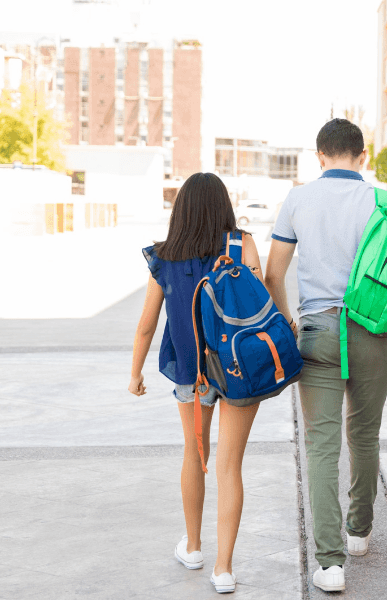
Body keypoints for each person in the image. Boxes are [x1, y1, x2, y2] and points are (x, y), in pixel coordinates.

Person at [265, 118, 387, 593]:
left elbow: (274, 274)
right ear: (362, 157)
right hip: (371, 329)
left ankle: (329, 563)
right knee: (365, 435)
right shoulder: (384, 200)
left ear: (319, 156)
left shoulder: (297, 199)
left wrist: (290, 319)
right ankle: (360, 532)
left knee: (321, 445)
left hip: (316, 329)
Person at [128, 172, 264, 594]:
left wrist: (135, 373)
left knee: (195, 454)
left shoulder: (166, 256)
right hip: (240, 367)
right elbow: (262, 302)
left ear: (181, 209)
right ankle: (223, 569)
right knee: (230, 465)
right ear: (224, 204)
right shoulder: (241, 245)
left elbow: (147, 326)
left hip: (192, 371)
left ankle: (193, 547)